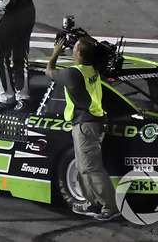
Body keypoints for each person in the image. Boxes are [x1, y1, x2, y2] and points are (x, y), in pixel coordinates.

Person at [46, 36, 121, 221]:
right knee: (82, 167)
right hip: (90, 122)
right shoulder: (93, 67)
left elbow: (49, 71)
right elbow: (95, 52)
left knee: (92, 168)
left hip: (86, 125)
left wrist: (55, 53)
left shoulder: (72, 73)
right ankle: (93, 203)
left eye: (74, 48)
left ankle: (110, 207)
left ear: (78, 53)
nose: (72, 51)